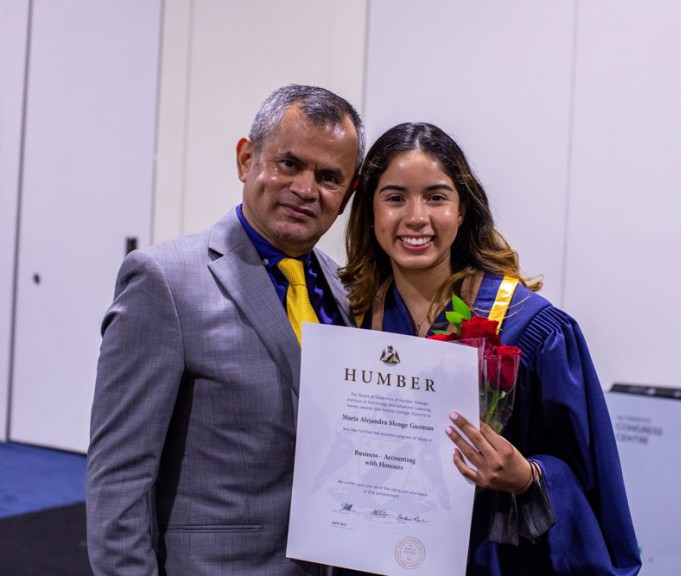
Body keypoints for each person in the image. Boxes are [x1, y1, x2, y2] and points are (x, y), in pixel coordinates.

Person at [338, 122, 641, 575]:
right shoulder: (353, 320)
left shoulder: (532, 327)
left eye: (437, 197)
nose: (416, 217)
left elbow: (589, 476)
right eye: (395, 196)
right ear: (371, 211)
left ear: (462, 211)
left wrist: (527, 477)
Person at [86, 84, 365, 575]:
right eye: (289, 164)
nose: (305, 189)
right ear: (246, 159)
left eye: (328, 177)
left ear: (346, 196)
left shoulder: (345, 292)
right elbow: (118, 478)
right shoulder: (164, 282)